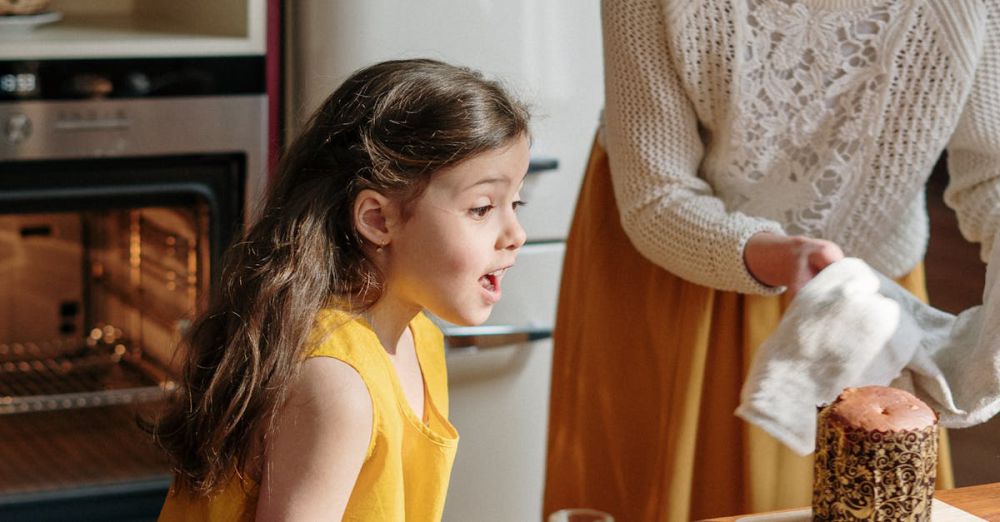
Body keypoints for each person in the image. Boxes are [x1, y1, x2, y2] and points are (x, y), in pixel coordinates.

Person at [543, 0, 1000, 519]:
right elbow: (656, 195)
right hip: (678, 274)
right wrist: (782, 255)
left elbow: (992, 171)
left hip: (868, 296)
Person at [152, 58, 531, 521]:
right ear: (377, 219)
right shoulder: (335, 383)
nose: (516, 233)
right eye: (481, 208)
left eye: (516, 202)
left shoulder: (418, 336)